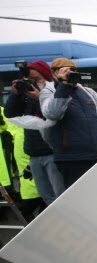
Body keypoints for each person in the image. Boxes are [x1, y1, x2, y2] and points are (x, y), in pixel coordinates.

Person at [4, 60, 65, 205]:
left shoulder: (54, 93)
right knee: (46, 196)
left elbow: (54, 115)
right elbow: (10, 113)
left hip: (52, 154)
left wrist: (40, 98)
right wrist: (16, 94)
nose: (34, 83)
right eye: (30, 80)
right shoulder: (26, 96)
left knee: (60, 196)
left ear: (47, 78)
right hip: (34, 155)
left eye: (37, 79)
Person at [40, 58, 97, 189]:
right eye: (65, 70)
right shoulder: (49, 92)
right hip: (71, 158)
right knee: (78, 197)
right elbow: (53, 113)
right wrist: (63, 85)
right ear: (54, 73)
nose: (70, 73)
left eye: (73, 70)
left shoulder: (88, 92)